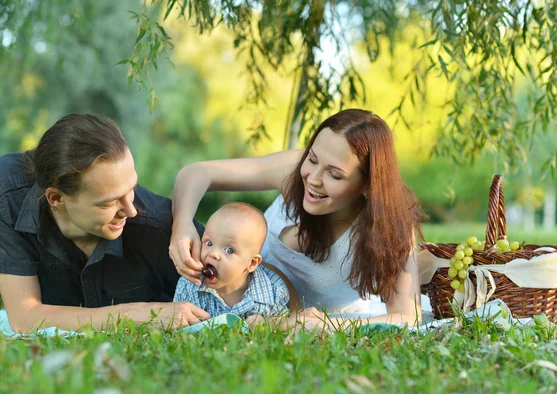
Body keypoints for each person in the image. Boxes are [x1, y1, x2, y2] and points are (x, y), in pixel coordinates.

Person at [169, 109, 426, 330]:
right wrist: (182, 226)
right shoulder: (294, 170)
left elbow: (407, 317)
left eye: (334, 175)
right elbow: (197, 173)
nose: (313, 179)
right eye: (312, 159)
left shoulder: (391, 228)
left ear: (368, 185)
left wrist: (328, 324)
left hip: (278, 321)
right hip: (225, 291)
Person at [0, 114, 209, 333]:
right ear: (56, 199)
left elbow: (238, 281)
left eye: (131, 189)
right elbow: (25, 319)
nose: (131, 210)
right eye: (108, 203)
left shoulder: (159, 227)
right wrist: (135, 315)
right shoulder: (8, 198)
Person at [173, 202, 290, 319]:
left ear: (252, 263)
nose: (213, 254)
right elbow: (177, 323)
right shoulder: (189, 286)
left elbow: (284, 328)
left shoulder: (274, 292)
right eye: (209, 243)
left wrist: (266, 324)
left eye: (229, 250)